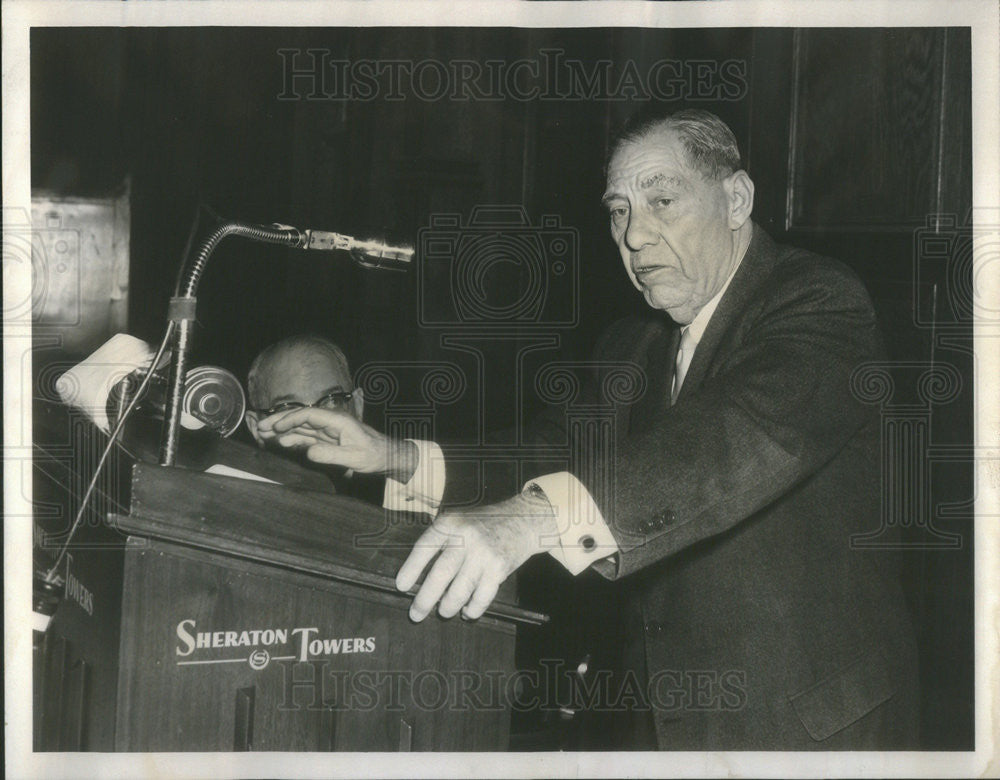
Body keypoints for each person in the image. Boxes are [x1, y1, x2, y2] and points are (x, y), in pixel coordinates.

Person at [256, 110, 919, 749]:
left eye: (662, 202)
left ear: (737, 199)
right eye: (618, 210)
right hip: (664, 728)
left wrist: (531, 520)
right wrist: (395, 457)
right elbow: (550, 452)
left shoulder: (820, 300)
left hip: (806, 730)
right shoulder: (633, 342)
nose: (632, 236)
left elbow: (730, 439)